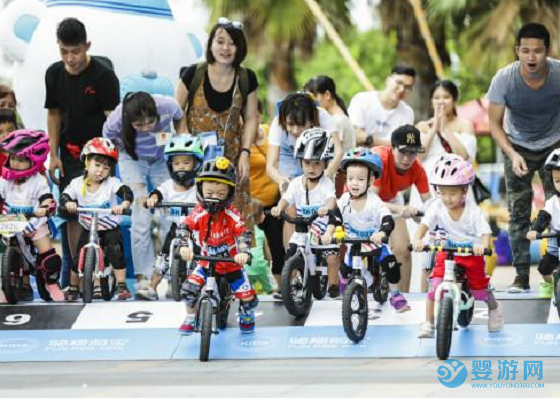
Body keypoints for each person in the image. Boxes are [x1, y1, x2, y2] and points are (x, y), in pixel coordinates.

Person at [44, 17, 120, 291]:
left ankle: (100, 273)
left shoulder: (103, 76)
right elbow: (53, 114)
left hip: (99, 155)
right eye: (64, 51)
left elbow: (112, 121)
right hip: (69, 154)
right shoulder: (54, 74)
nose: (70, 57)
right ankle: (75, 277)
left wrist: (106, 164)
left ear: (87, 46)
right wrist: (53, 154)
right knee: (71, 213)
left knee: (98, 212)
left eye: (75, 51)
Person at [487, 22, 560, 293]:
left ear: (547, 52)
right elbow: (494, 124)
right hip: (516, 145)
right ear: (517, 50)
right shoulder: (504, 79)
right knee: (518, 213)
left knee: (557, 209)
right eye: (526, 50)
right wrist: (513, 154)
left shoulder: (558, 74)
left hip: (554, 145)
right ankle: (520, 276)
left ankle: (554, 270)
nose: (532, 57)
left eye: (538, 51)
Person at [176, 17, 259, 226]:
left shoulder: (247, 77)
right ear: (211, 44)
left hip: (231, 159)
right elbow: (176, 111)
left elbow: (251, 118)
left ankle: (236, 257)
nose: (226, 48)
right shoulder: (193, 73)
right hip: (195, 158)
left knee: (235, 222)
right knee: (194, 220)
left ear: (240, 48)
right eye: (220, 41)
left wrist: (245, 153)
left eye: (232, 43)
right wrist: (185, 139)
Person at [102, 91, 186, 297]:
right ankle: (143, 276)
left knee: (171, 213)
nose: (146, 128)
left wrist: (182, 140)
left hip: (162, 158)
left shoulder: (168, 105)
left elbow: (180, 117)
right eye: (139, 125)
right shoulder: (115, 120)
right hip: (132, 158)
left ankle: (170, 274)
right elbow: (109, 144)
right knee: (141, 215)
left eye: (150, 122)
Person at [413, 154, 503, 337]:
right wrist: (418, 239)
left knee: (479, 289)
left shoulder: (472, 211)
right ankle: (428, 323)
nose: (447, 198)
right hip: (446, 251)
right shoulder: (437, 206)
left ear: (464, 191)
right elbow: (425, 224)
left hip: (471, 252)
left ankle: (494, 309)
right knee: (434, 286)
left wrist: (482, 247)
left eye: (452, 193)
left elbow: (485, 232)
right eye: (442, 192)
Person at [178, 157, 257, 335]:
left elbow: (243, 234)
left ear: (229, 194)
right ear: (200, 190)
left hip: (231, 264)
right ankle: (191, 317)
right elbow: (185, 227)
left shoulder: (232, 214)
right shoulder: (198, 212)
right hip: (205, 263)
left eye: (220, 194)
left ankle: (246, 313)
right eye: (210, 193)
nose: (214, 198)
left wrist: (243, 251)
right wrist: (184, 245)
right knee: (189, 290)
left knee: (247, 296)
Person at [323, 147, 409, 311]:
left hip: (374, 243)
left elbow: (387, 219)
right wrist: (329, 232)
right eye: (350, 178)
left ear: (370, 181)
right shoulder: (345, 199)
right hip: (354, 244)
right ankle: (348, 288)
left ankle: (396, 294)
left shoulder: (374, 201)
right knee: (345, 271)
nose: (354, 183)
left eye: (361, 179)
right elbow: (335, 216)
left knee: (390, 264)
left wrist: (382, 233)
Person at [60, 138, 133, 301]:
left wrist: (124, 204)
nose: (101, 171)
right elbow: (65, 196)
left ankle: (121, 284)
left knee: (116, 251)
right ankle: (73, 287)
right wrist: (69, 202)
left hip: (109, 228)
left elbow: (125, 191)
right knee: (77, 257)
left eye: (106, 167)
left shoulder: (112, 183)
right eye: (97, 165)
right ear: (86, 162)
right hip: (88, 228)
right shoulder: (77, 183)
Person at [271, 128, 341, 298]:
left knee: (331, 257)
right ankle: (293, 282)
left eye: (317, 163)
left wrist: (328, 208)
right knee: (291, 251)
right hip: (304, 226)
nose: (312, 168)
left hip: (324, 226)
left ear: (325, 163)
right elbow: (287, 198)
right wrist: (279, 207)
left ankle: (333, 284)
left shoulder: (326, 184)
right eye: (308, 162)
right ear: (300, 161)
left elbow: (332, 199)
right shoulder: (296, 183)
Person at [0, 129, 63, 301]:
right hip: (11, 221)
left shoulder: (38, 180)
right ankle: (8, 287)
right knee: (10, 255)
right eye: (13, 158)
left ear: (34, 160)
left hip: (34, 222)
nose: (15, 163)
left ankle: (52, 284)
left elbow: (46, 198)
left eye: (21, 160)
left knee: (48, 256)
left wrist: (45, 207)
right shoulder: (5, 180)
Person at [372, 124, 431, 292]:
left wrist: (420, 217)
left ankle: (404, 297)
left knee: (404, 250)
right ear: (392, 148)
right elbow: (371, 201)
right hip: (360, 199)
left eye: (412, 153)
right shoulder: (380, 160)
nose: (407, 158)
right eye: (402, 152)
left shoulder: (418, 168)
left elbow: (430, 205)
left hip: (389, 199)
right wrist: (400, 209)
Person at [144, 135, 204, 300]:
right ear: (170, 165)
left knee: (201, 255)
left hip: (196, 229)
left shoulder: (200, 185)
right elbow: (158, 193)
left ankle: (203, 284)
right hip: (176, 227)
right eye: (176, 163)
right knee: (163, 256)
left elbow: (207, 197)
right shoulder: (168, 186)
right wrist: (153, 199)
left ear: (196, 163)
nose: (181, 167)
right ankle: (152, 287)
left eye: (186, 163)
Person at [249, 100, 284, 294]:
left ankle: (281, 287)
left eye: (252, 117)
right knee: (250, 249)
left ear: (259, 115)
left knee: (277, 247)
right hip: (250, 206)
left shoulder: (271, 132)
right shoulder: (239, 142)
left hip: (274, 203)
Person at [416, 80, 476, 182]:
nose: (441, 101)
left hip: (456, 182)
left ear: (454, 100)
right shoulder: (422, 126)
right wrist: (434, 129)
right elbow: (417, 156)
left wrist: (445, 128)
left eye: (446, 97)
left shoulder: (465, 125)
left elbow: (464, 157)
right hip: (426, 181)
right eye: (436, 98)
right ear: (431, 102)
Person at [348, 66, 415, 147]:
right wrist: (392, 144)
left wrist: (369, 139)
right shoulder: (362, 100)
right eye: (399, 82)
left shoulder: (407, 112)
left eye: (407, 87)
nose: (402, 89)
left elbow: (403, 147)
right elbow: (354, 137)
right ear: (388, 80)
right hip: (357, 157)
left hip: (388, 159)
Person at [526, 149, 560, 298]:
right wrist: (535, 230)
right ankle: (549, 283)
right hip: (555, 241)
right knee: (544, 268)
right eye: (558, 181)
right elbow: (543, 217)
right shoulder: (552, 202)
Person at [304, 75, 355, 153]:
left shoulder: (337, 121)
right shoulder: (337, 118)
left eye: (314, 97)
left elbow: (328, 153)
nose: (311, 102)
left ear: (327, 95)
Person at [246, 198, 276, 295]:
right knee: (272, 289)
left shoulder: (242, 232)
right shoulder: (261, 232)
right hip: (260, 266)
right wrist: (270, 262)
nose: (264, 215)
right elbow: (267, 255)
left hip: (244, 268)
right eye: (262, 213)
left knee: (247, 290)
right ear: (256, 217)